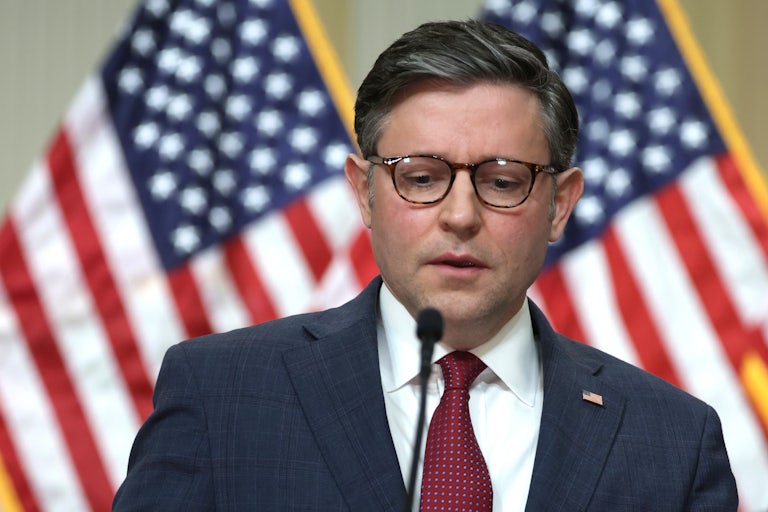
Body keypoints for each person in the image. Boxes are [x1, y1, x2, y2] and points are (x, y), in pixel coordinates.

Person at [113, 20, 738, 511]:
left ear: (559, 204)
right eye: (421, 177)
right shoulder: (222, 395)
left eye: (501, 181)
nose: (460, 216)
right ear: (364, 192)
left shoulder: (672, 440)